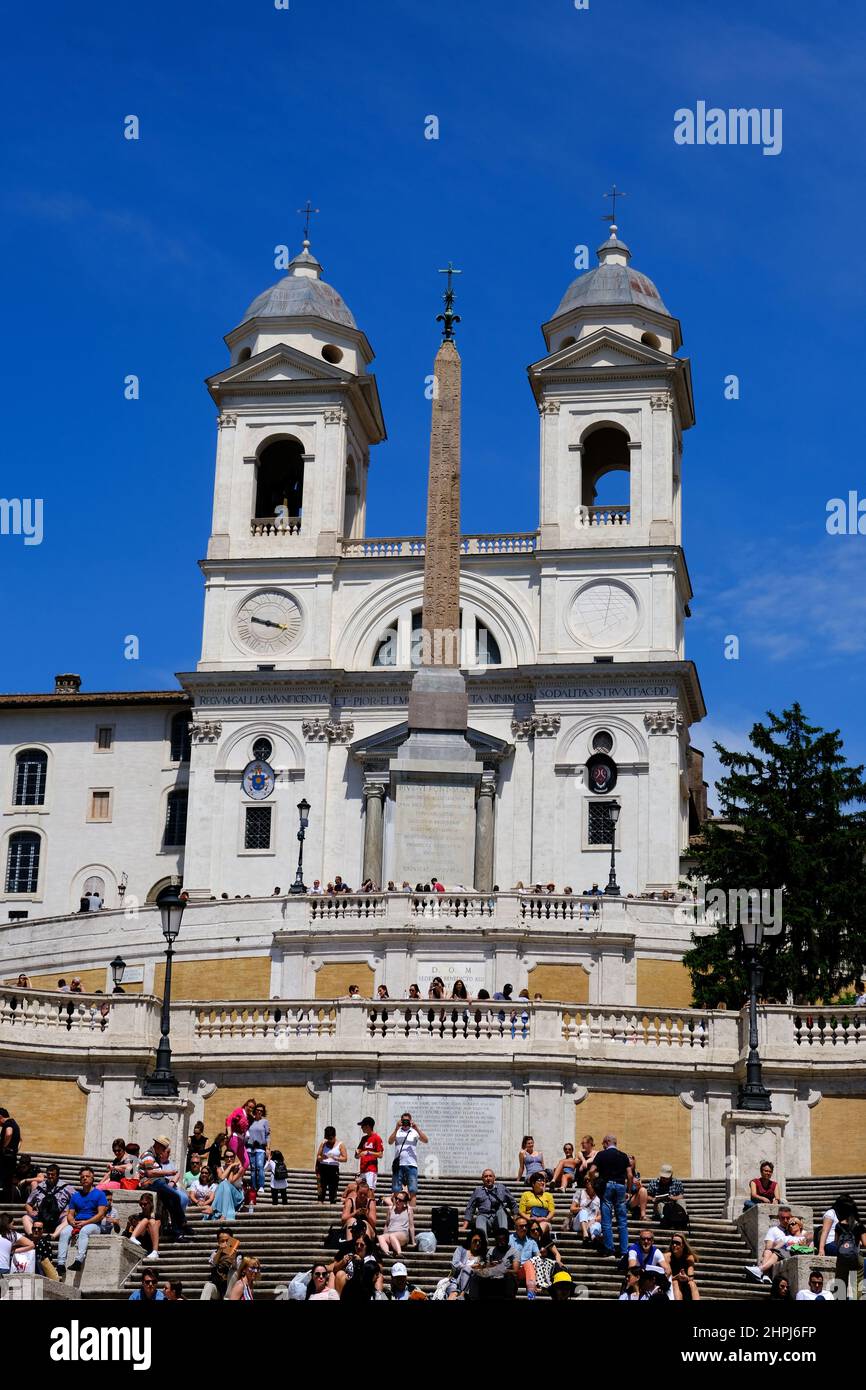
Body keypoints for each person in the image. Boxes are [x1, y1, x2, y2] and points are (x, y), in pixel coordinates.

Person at [56, 1167, 109, 1273]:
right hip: (77, 1223)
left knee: (85, 1231)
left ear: (92, 1178)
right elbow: (70, 1214)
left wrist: (86, 1222)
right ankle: (61, 1263)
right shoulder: (75, 1196)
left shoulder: (100, 1194)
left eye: (87, 1176)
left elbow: (100, 1214)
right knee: (64, 1232)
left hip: (94, 1225)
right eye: (82, 1177)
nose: (85, 1178)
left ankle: (79, 1261)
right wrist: (72, 1222)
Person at [138, 1136, 189, 1241]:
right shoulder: (148, 1155)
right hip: (150, 1182)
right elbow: (149, 1172)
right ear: (158, 1145)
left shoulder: (156, 1157)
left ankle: (177, 1232)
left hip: (158, 1182)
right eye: (163, 1148)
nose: (163, 1150)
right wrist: (168, 1172)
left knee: (171, 1203)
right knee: (175, 1196)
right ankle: (183, 1221)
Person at [590, 1134, 632, 1262]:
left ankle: (610, 1249)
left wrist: (593, 1182)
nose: (602, 1145)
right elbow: (630, 1175)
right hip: (620, 1186)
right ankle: (624, 1251)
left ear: (607, 1142)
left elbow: (592, 1171)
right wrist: (628, 1191)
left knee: (606, 1221)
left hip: (607, 1186)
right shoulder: (624, 1156)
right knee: (622, 1221)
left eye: (603, 1143)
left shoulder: (601, 1155)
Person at [745, 1206, 797, 1281]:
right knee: (767, 1252)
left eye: (788, 1218)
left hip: (790, 1253)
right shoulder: (773, 1230)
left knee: (774, 1252)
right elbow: (768, 1246)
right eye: (783, 1218)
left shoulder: (795, 1228)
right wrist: (779, 1244)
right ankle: (765, 1276)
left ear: (791, 1217)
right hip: (777, 1253)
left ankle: (761, 1271)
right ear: (778, 1218)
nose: (785, 1220)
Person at [388, 1111, 428, 1206]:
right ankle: (396, 1213)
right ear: (401, 1121)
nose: (405, 1123)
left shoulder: (414, 1132)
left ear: (410, 1121)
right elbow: (390, 1141)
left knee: (412, 1190)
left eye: (407, 1121)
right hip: (399, 1164)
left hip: (411, 1164)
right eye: (404, 1121)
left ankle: (411, 1213)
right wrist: (396, 1128)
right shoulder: (397, 1131)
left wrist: (417, 1128)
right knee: (396, 1189)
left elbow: (426, 1140)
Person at [462, 1169, 516, 1237]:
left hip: (498, 1219)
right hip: (484, 1218)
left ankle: (503, 1238)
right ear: (482, 1179)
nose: (488, 1178)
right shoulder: (478, 1191)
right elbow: (470, 1208)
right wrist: (464, 1226)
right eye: (485, 1176)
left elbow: (512, 1203)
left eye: (490, 1176)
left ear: (494, 1178)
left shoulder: (501, 1188)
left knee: (502, 1211)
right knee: (480, 1217)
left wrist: (516, 1222)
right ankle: (483, 1242)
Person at [24, 1163, 70, 1236]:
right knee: (25, 1217)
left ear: (57, 1175)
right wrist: (30, 1211)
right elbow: (28, 1203)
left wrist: (69, 1212)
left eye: (52, 1174)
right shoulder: (39, 1187)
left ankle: (54, 1235)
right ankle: (32, 1235)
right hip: (41, 1217)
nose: (50, 1176)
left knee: (68, 1219)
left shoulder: (66, 1187)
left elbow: (76, 1201)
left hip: (58, 1217)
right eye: (48, 1174)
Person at [200, 1228, 241, 1300]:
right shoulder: (215, 1253)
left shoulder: (238, 1255)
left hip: (231, 1291)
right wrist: (219, 1251)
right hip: (218, 1289)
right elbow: (213, 1263)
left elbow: (237, 1269)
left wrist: (233, 1257)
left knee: (233, 1271)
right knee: (208, 1285)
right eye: (222, 1241)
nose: (225, 1243)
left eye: (227, 1241)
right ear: (218, 1242)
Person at [507, 1215, 540, 1299]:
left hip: (525, 1272)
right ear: (515, 1227)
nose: (524, 1228)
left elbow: (538, 1258)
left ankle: (531, 1295)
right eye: (521, 1226)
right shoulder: (509, 1239)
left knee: (528, 1264)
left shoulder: (532, 1242)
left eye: (526, 1226)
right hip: (512, 1269)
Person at [447, 1230, 488, 1298]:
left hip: (471, 1286)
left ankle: (462, 1293)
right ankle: (461, 1294)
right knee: (453, 1294)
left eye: (479, 1242)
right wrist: (472, 1266)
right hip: (455, 1281)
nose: (477, 1243)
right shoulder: (461, 1249)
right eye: (475, 1241)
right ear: (470, 1240)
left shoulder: (482, 1256)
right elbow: (455, 1264)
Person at [206, 1152, 245, 1221]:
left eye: (231, 1157)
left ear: (234, 1157)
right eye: (227, 1157)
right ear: (224, 1158)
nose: (229, 1159)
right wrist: (231, 1166)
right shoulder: (219, 1169)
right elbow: (221, 1178)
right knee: (223, 1183)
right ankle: (223, 1215)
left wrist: (232, 1169)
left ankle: (213, 1208)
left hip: (237, 1196)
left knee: (225, 1183)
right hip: (224, 1195)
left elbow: (230, 1182)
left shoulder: (240, 1169)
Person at [818, 1191, 859, 1256]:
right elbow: (825, 1231)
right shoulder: (831, 1213)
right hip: (831, 1243)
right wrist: (821, 1249)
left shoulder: (847, 1215)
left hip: (845, 1242)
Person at [378, 1190, 415, 1256]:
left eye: (400, 1200)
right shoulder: (390, 1209)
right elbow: (387, 1225)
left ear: (404, 1202)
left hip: (403, 1234)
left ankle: (399, 1253)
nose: (397, 1201)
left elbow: (411, 1226)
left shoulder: (408, 1210)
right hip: (390, 1232)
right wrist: (385, 1235)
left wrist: (413, 1242)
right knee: (380, 1237)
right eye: (396, 1199)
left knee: (392, 1236)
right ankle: (387, 1252)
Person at [125, 1192, 161, 1259]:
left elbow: (157, 1228)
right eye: (141, 1204)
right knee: (145, 1220)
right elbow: (128, 1232)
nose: (142, 1206)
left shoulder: (157, 1216)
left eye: (145, 1204)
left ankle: (155, 1251)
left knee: (150, 1221)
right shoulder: (137, 1216)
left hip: (151, 1242)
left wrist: (151, 1219)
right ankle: (133, 1237)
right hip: (141, 1243)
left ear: (151, 1204)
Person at [315, 1126, 346, 1204]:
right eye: (327, 1139)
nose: (329, 1140)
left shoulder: (340, 1144)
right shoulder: (323, 1143)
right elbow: (318, 1156)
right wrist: (322, 1157)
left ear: (334, 1136)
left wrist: (336, 1158)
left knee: (333, 1189)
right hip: (323, 1167)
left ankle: (332, 1204)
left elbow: (345, 1158)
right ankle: (320, 1204)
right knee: (322, 1189)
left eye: (331, 1139)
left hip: (333, 1168)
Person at [246, 1102, 270, 1196]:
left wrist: (268, 1148)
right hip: (250, 1147)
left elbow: (268, 1135)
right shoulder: (250, 1121)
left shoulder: (265, 1122)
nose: (259, 1112)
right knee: (252, 1168)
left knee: (260, 1166)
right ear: (255, 1111)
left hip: (260, 1148)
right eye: (258, 1110)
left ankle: (261, 1186)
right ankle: (253, 1186)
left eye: (261, 1110)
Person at [225, 1097, 255, 1171]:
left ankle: (236, 1178)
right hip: (234, 1138)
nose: (250, 1109)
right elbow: (229, 1119)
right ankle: (228, 1179)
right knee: (230, 1160)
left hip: (241, 1140)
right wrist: (229, 1132)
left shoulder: (249, 1117)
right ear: (246, 1105)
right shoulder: (239, 1111)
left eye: (252, 1108)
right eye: (249, 1107)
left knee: (246, 1163)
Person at [570, 1177, 602, 1244]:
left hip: (591, 1223)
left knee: (598, 1225)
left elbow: (600, 1216)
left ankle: (594, 1238)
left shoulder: (599, 1197)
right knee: (583, 1211)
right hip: (579, 1223)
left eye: (590, 1181)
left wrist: (594, 1220)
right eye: (587, 1181)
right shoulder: (580, 1193)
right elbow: (572, 1209)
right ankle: (585, 1234)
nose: (588, 1182)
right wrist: (580, 1208)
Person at [355, 1116, 384, 1191]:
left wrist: (368, 1152)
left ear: (368, 1126)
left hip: (371, 1169)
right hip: (362, 1169)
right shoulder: (363, 1138)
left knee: (370, 1190)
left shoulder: (377, 1138)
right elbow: (358, 1154)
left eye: (362, 1126)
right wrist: (357, 1153)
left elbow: (380, 1154)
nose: (361, 1128)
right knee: (361, 1191)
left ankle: (371, 1202)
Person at [668, 1234, 700, 1300]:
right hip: (671, 1283)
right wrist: (676, 1277)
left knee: (692, 1284)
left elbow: (691, 1277)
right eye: (673, 1242)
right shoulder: (667, 1257)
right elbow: (666, 1277)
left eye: (677, 1243)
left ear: (683, 1246)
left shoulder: (689, 1258)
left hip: (685, 1283)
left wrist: (686, 1277)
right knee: (675, 1282)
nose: (674, 1245)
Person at [0, 1107, 21, 1202]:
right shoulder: (15, 1124)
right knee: (8, 1181)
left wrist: (4, 1147)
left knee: (4, 1179)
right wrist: (15, 1150)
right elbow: (20, 1140)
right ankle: (7, 1201)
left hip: (6, 1157)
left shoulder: (8, 1124)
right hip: (12, 1156)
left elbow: (9, 1134)